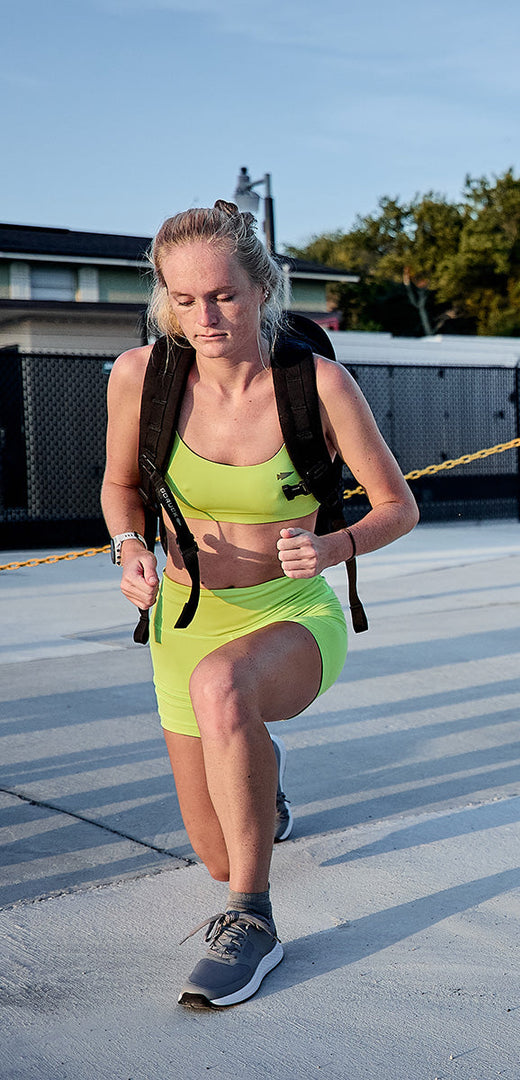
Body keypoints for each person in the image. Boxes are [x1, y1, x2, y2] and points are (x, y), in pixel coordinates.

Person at [101, 201, 419, 1008]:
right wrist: (128, 549)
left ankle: (253, 920)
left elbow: (397, 506)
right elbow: (120, 488)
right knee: (214, 849)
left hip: (290, 614)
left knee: (224, 690)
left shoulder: (316, 384)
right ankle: (259, 785)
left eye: (223, 296)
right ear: (163, 299)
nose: (205, 316)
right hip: (181, 621)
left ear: (262, 288)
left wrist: (334, 546)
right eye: (184, 299)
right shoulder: (143, 377)